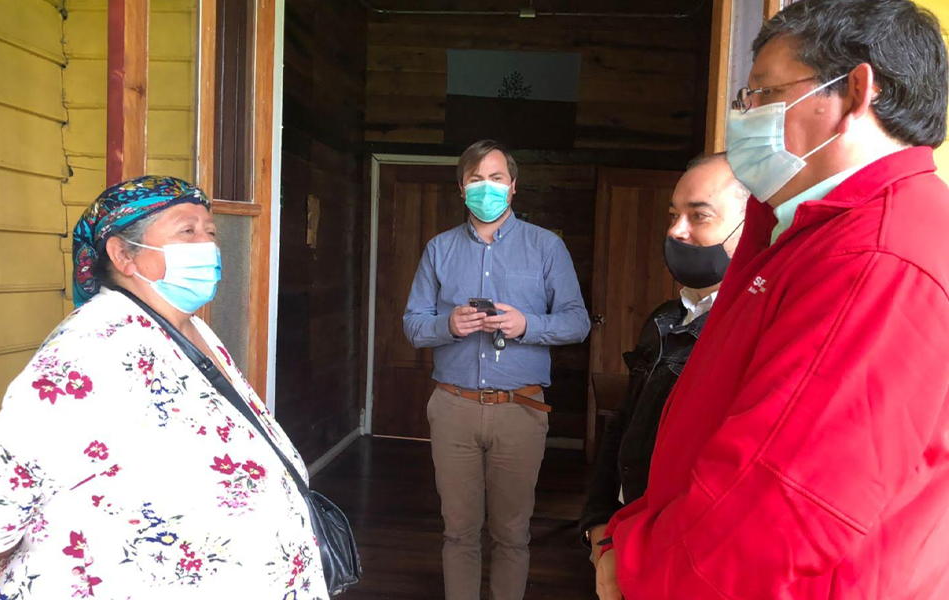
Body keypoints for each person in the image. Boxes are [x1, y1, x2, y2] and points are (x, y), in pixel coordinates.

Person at [595, 0, 949, 598]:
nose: (745, 116)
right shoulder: (806, 227)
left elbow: (784, 502)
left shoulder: (877, 255)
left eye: (762, 94)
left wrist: (639, 569)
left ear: (855, 92)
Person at [0, 176, 329, 599]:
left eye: (210, 231)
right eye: (187, 231)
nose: (207, 244)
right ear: (123, 255)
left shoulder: (188, 328)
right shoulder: (95, 345)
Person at [404, 139, 590, 600]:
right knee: (458, 532)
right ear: (461, 188)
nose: (486, 188)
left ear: (513, 186)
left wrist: (528, 324)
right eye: (475, 180)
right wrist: (448, 325)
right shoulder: (439, 249)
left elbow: (577, 322)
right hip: (453, 407)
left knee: (512, 534)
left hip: (520, 410)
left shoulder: (546, 247)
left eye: (496, 178)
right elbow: (413, 324)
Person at [579, 154, 747, 566]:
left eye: (698, 216)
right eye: (674, 215)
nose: (675, 231)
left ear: (750, 227)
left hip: (675, 553)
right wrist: (599, 526)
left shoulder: (748, 333)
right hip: (623, 536)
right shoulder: (664, 319)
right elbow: (623, 426)